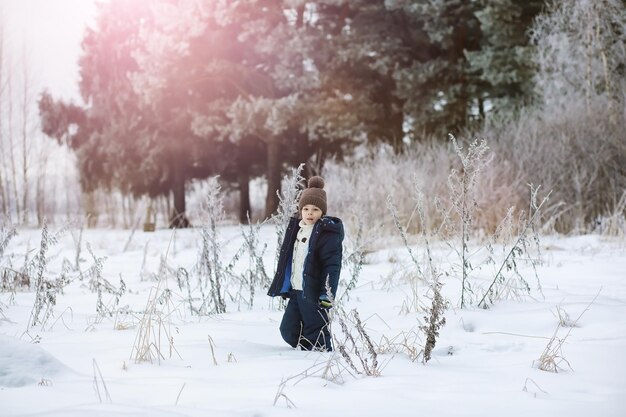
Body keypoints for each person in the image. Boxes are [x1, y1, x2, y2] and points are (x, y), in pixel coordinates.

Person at [267, 176, 344, 351]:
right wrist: (284, 284)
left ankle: (320, 356)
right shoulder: (296, 229)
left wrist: (327, 294)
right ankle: (306, 349)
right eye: (306, 208)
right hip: (296, 290)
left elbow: (332, 267)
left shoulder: (327, 235)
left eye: (315, 209)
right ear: (300, 210)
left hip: (314, 292)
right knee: (287, 330)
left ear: (322, 212)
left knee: (316, 330)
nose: (310, 213)